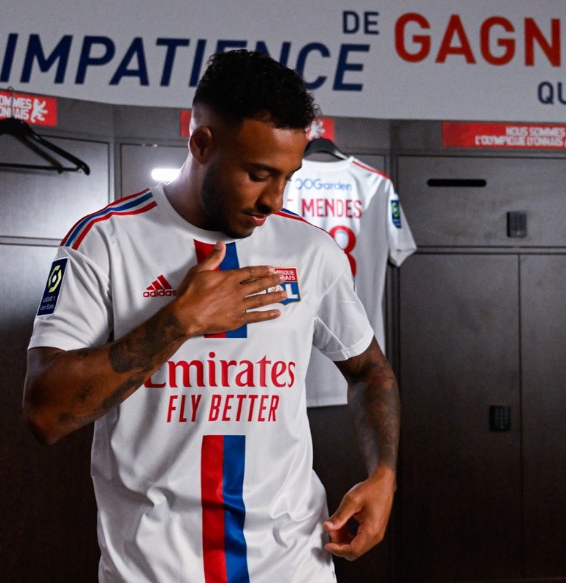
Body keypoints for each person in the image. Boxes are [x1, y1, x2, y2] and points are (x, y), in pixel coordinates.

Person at [23, 49, 399, 582]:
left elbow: (370, 371)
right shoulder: (105, 241)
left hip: (293, 566)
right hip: (154, 572)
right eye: (258, 174)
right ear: (202, 143)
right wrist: (178, 322)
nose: (274, 199)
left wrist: (383, 474)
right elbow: (45, 415)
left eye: (288, 177)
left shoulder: (310, 251)